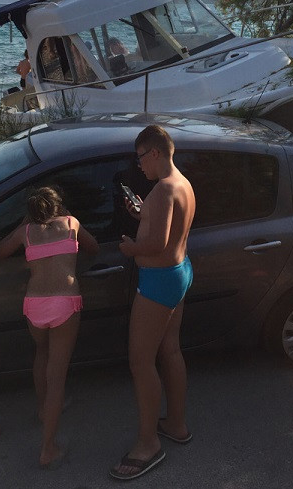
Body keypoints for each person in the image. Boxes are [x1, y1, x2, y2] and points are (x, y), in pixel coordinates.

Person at [111, 125, 195, 481]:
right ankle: (176, 424)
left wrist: (131, 248)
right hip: (179, 272)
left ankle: (148, 445)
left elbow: (156, 244)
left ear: (155, 153)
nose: (139, 165)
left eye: (141, 158)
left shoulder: (162, 191)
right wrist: (142, 214)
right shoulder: (181, 183)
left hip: (158, 281)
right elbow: (166, 229)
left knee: (140, 361)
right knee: (170, 350)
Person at [0, 186, 98, 469]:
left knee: (41, 353)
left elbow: (0, 252)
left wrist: (22, 225)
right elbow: (94, 247)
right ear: (59, 207)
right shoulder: (71, 223)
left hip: (34, 304)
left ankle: (42, 410)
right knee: (57, 376)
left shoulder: (25, 232)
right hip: (65, 302)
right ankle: (48, 448)